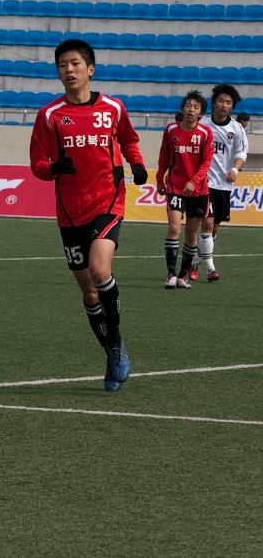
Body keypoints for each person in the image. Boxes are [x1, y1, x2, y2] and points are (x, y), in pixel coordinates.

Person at [29, 38, 146, 393]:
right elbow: (36, 164)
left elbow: (129, 139)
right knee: (89, 294)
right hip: (69, 212)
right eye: (63, 65)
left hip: (108, 201)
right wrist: (52, 168)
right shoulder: (50, 115)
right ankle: (113, 351)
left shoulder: (112, 108)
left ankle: (116, 346)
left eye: (76, 63)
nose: (69, 70)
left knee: (100, 270)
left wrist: (137, 163)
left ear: (90, 68)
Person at [156, 91, 212, 289]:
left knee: (191, 234)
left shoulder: (205, 133)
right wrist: (159, 178)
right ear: (182, 109)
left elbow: (206, 163)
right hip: (175, 187)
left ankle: (183, 275)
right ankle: (171, 273)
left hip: (198, 191)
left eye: (196, 107)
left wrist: (194, 181)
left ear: (201, 114)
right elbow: (164, 156)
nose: (191, 109)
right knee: (174, 227)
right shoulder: (171, 130)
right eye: (188, 105)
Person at [195, 84, 249, 283]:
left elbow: (241, 153)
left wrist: (235, 169)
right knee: (207, 223)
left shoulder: (236, 129)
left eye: (228, 102)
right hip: (203, 183)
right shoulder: (203, 124)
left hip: (224, 185)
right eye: (221, 101)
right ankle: (210, 267)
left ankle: (194, 261)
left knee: (214, 226)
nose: (224, 105)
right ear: (213, 103)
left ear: (232, 106)